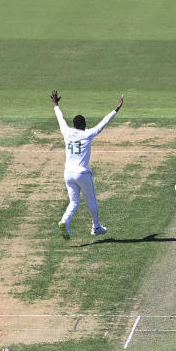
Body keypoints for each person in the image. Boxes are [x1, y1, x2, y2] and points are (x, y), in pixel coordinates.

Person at [50, 90, 124, 239]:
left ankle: (64, 221)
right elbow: (103, 123)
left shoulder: (66, 132)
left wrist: (56, 104)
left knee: (74, 201)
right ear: (83, 125)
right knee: (91, 199)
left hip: (68, 173)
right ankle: (96, 227)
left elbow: (60, 119)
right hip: (82, 173)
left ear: (74, 125)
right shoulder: (87, 134)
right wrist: (116, 109)